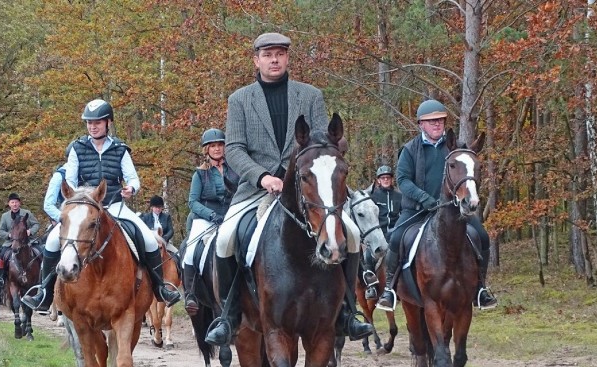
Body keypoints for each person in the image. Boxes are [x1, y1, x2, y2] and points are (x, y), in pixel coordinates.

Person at [204, 32, 374, 346]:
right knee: (226, 237)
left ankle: (347, 311)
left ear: (287, 58)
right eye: (268, 54)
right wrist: (262, 177)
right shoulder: (239, 99)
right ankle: (229, 316)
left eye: (280, 54)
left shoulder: (310, 95)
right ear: (256, 60)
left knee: (350, 232)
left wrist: (330, 152)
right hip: (258, 189)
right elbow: (235, 149)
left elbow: (328, 140)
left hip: (307, 190)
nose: (274, 59)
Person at [22, 98, 181, 313]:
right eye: (89, 122)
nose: (93, 126)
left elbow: (133, 179)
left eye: (97, 122)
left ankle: (161, 288)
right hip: (85, 208)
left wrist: (131, 189)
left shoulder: (120, 149)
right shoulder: (77, 148)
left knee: (149, 240)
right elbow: (70, 179)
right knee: (51, 241)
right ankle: (45, 292)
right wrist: (80, 198)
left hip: (114, 205)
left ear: (108, 123)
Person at [376, 99, 497, 312]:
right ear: (421, 124)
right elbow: (403, 180)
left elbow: (467, 173)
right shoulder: (410, 149)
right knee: (396, 238)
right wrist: (425, 198)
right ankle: (390, 289)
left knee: (482, 236)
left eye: (440, 121)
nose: (436, 125)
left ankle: (480, 288)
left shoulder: (455, 147)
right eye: (431, 121)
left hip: (452, 211)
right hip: (417, 210)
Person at [182, 128, 239, 315]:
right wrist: (212, 216)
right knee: (190, 250)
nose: (217, 149)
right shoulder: (200, 174)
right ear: (207, 149)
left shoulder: (234, 170)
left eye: (220, 145)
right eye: (213, 146)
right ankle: (190, 294)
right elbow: (193, 202)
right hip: (206, 219)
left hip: (230, 215)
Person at [362, 165, 402, 299]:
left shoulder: (399, 196)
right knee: (368, 254)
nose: (385, 180)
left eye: (388, 177)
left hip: (396, 232)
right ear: (378, 180)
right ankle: (371, 287)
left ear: (391, 180)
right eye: (383, 178)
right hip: (379, 233)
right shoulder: (373, 196)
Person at [0, 193, 40, 287]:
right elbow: (0, 230)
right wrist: (9, 235)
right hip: (11, 242)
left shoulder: (27, 213)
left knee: (41, 253)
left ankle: (43, 277)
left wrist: (30, 231)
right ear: (9, 204)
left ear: (19, 203)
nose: (14, 204)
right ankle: (1, 278)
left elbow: (36, 224)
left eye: (16, 202)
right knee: (1, 256)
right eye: (12, 202)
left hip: (28, 241)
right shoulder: (5, 216)